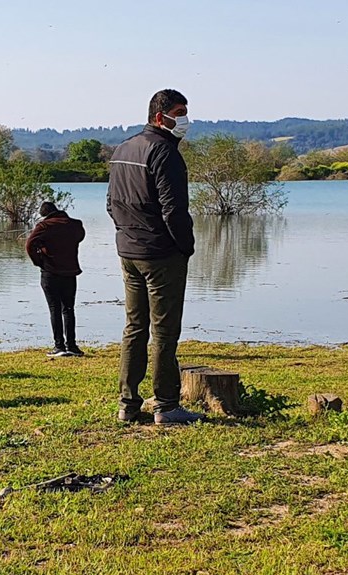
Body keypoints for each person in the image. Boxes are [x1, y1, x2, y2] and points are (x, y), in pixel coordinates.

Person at [107, 88, 203, 425]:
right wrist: (185, 246)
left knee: (134, 328)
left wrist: (128, 234)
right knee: (164, 332)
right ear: (160, 117)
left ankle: (128, 405)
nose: (185, 120)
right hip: (161, 254)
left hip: (129, 251)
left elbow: (110, 205)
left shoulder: (123, 149)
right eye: (179, 112)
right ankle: (166, 405)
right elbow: (174, 211)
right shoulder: (165, 153)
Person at [26, 201, 86, 357]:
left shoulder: (44, 226)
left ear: (44, 214)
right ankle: (72, 346)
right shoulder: (75, 224)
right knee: (69, 308)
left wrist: (39, 260)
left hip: (50, 272)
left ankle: (59, 346)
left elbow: (29, 244)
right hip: (70, 272)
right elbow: (80, 237)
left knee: (54, 309)